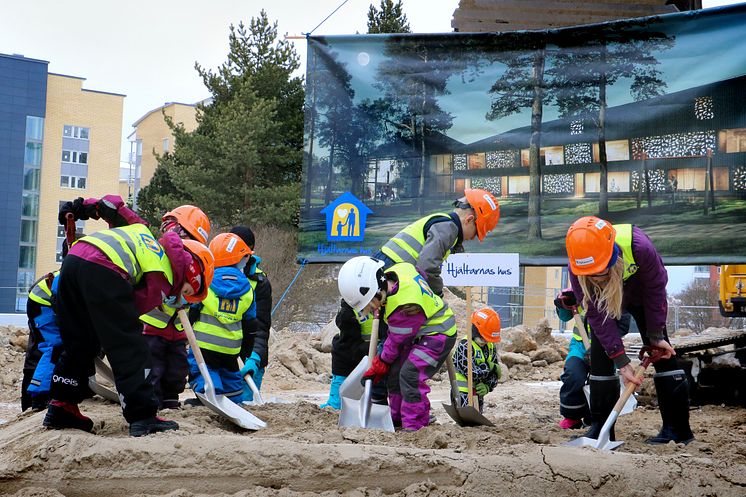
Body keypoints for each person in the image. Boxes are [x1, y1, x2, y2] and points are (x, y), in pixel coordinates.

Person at [43, 198, 215, 437]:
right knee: (131, 347)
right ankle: (143, 416)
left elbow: (112, 206)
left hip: (74, 261)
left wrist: (81, 208)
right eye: (187, 291)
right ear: (193, 273)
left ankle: (62, 405)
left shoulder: (141, 231)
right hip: (105, 269)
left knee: (81, 343)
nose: (182, 297)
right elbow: (131, 313)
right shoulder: (164, 271)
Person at [321, 189, 500, 409]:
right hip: (383, 283)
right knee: (380, 339)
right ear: (470, 219)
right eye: (477, 231)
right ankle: (371, 400)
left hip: (380, 277)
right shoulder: (449, 228)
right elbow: (427, 266)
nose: (475, 238)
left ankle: (361, 399)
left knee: (358, 333)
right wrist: (435, 295)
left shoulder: (441, 224)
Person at [565, 216, 694, 444]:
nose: (595, 277)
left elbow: (656, 290)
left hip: (643, 295)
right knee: (600, 351)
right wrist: (621, 360)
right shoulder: (578, 264)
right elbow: (596, 316)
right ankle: (601, 428)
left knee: (661, 351)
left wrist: (655, 334)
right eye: (590, 274)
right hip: (606, 299)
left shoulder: (640, 247)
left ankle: (678, 430)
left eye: (599, 272)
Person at [22, 195, 141, 412]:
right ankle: (39, 395)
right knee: (56, 346)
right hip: (44, 303)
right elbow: (61, 295)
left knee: (79, 341)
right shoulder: (83, 267)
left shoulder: (111, 253)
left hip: (52, 299)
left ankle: (70, 388)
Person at [338, 256, 457, 432]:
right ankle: (396, 418)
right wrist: (385, 363)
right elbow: (419, 273)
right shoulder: (399, 271)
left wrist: (381, 362)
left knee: (410, 374)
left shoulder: (404, 307)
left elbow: (395, 341)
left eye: (371, 306)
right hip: (418, 332)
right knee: (394, 372)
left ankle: (415, 424)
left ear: (376, 290)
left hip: (438, 334)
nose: (371, 312)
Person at [140, 205, 211, 409]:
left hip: (178, 329)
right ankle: (153, 402)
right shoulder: (159, 249)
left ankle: (171, 400)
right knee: (153, 367)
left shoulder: (191, 257)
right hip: (152, 327)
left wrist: (187, 297)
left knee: (177, 369)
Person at [187, 233, 255, 404]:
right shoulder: (248, 289)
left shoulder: (207, 282)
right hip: (231, 348)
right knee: (230, 374)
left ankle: (209, 395)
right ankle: (234, 399)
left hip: (204, 344)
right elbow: (250, 323)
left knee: (201, 370)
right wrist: (246, 351)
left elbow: (194, 309)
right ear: (240, 259)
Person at [554, 288, 631, 430]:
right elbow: (565, 317)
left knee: (599, 384)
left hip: (605, 348)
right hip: (579, 346)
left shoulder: (614, 295)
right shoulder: (578, 291)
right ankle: (572, 416)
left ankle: (593, 419)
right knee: (573, 375)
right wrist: (562, 303)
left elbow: (623, 326)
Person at [230, 226, 272, 402]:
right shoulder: (213, 275)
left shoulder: (259, 283)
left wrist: (254, 358)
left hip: (249, 356)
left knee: (246, 403)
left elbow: (261, 327)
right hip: (222, 353)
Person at [452, 307, 502, 413]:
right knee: (467, 421)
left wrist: (488, 386)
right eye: (482, 338)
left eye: (487, 339)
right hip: (462, 394)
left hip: (478, 395)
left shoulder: (490, 347)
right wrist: (490, 367)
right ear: (475, 330)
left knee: (477, 422)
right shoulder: (465, 346)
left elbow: (495, 375)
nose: (485, 341)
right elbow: (472, 373)